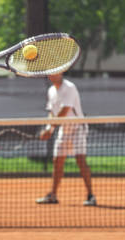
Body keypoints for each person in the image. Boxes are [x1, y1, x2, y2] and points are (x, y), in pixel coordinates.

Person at [36, 73, 96, 206]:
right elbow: (52, 112)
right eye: (50, 73)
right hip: (64, 129)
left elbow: (65, 110)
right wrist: (49, 129)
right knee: (57, 161)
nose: (53, 75)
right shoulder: (51, 91)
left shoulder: (69, 87)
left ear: (61, 73)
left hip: (77, 128)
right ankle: (53, 195)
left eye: (55, 72)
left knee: (80, 160)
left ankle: (91, 195)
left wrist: (51, 128)